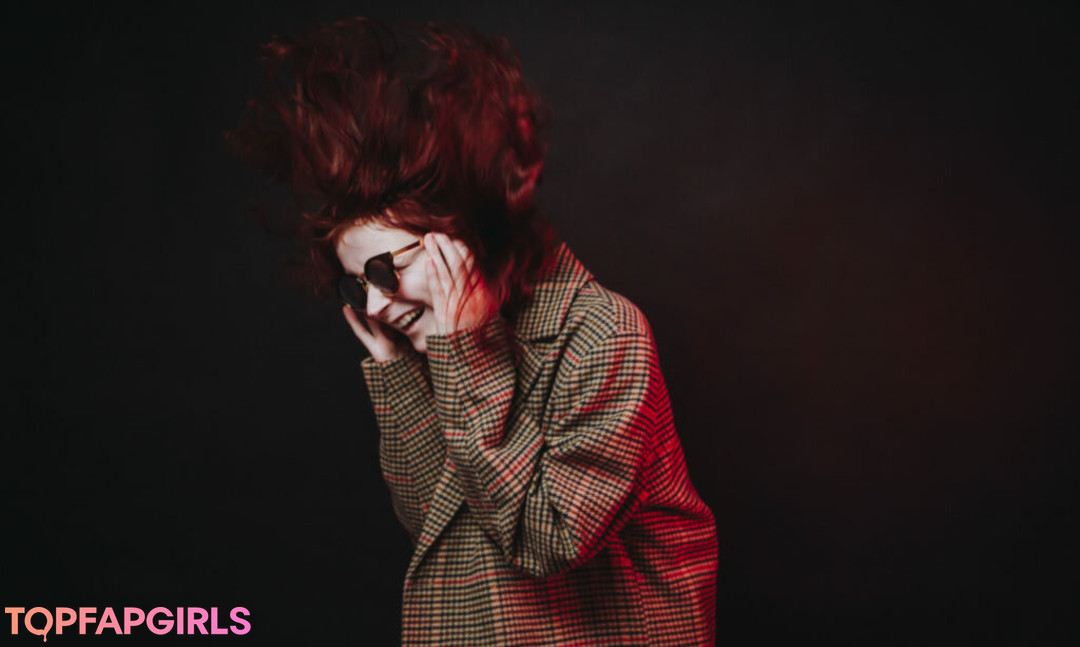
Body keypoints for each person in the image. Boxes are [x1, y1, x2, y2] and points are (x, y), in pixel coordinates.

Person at [229, 17, 718, 646]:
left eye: (385, 270)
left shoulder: (603, 333)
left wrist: (469, 356)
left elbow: (549, 538)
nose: (375, 304)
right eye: (357, 285)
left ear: (462, 232)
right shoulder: (440, 348)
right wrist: (402, 382)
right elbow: (438, 530)